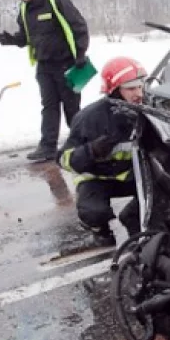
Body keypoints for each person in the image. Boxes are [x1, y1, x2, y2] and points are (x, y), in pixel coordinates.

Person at [0, 0, 90, 162]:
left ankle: (80, 143)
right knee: (49, 106)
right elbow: (26, 37)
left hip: (67, 64)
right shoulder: (25, 9)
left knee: (71, 107)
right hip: (44, 66)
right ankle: (47, 146)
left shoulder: (56, 0)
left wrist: (81, 54)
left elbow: (79, 27)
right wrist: (12, 40)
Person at [57, 56, 145, 247]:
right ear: (114, 90)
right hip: (97, 179)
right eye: (131, 88)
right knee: (93, 211)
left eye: (140, 86)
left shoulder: (148, 111)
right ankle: (100, 230)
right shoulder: (89, 118)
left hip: (132, 176)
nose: (138, 93)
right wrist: (92, 151)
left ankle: (136, 221)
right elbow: (63, 160)